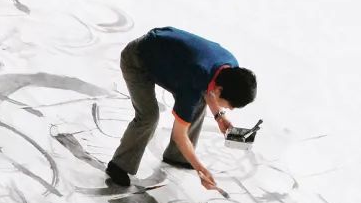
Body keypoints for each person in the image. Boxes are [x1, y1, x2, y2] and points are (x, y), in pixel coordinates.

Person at [104, 27, 257, 191]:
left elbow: (209, 89)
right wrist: (200, 169)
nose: (229, 109)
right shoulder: (194, 79)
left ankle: (179, 156)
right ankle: (119, 165)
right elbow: (180, 135)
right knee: (149, 116)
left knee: (198, 101)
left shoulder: (231, 68)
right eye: (230, 105)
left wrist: (219, 116)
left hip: (168, 60)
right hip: (137, 60)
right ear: (220, 90)